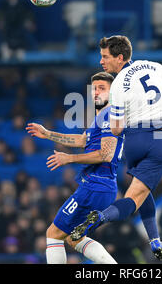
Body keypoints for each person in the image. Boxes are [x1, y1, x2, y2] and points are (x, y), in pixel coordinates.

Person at [70, 35, 162, 261]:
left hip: (134, 141)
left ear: (120, 57)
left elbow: (115, 130)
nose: (102, 61)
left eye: (105, 57)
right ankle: (100, 218)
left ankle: (154, 239)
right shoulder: (152, 66)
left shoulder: (117, 88)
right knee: (135, 198)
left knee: (141, 190)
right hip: (161, 138)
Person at [26, 72, 124, 264]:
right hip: (102, 187)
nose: (96, 92)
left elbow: (105, 154)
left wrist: (69, 158)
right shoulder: (102, 116)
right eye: (94, 88)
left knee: (54, 234)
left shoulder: (109, 114)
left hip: (95, 186)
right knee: (74, 237)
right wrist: (48, 134)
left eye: (102, 88)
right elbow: (81, 140)